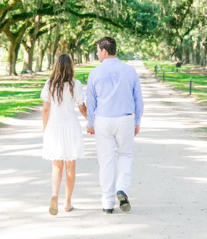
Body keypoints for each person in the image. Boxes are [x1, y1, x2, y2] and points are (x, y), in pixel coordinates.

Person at [87, 36, 143, 214]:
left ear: (104, 51)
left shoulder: (95, 73)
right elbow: (138, 99)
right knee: (125, 155)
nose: (97, 54)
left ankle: (108, 202)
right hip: (125, 118)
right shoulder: (130, 71)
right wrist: (137, 121)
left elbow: (91, 101)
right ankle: (122, 189)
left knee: (106, 160)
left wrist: (90, 123)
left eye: (98, 51)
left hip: (103, 120)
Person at [41, 53, 87, 215]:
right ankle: (67, 203)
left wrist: (45, 129)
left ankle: (54, 195)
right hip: (71, 127)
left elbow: (46, 109)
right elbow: (82, 107)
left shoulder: (49, 84)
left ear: (56, 66)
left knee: (56, 165)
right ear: (71, 67)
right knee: (70, 167)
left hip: (54, 128)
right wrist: (91, 120)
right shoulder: (76, 84)